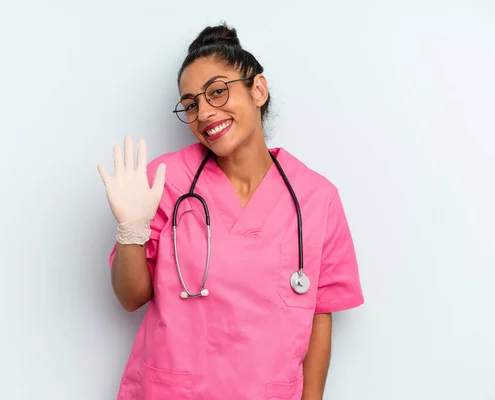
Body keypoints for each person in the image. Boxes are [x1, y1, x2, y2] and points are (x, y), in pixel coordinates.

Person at [97, 22, 364, 400]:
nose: (204, 112)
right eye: (191, 104)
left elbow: (320, 315)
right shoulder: (167, 181)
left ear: (258, 90)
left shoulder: (316, 198)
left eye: (217, 92)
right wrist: (131, 230)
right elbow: (130, 297)